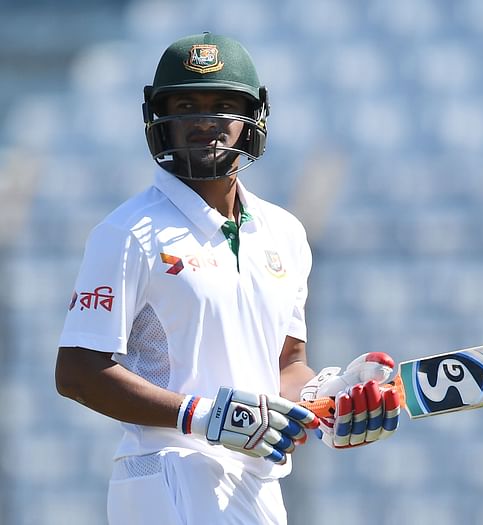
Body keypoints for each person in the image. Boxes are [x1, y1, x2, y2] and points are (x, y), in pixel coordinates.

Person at [55, 32, 401, 525]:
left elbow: (285, 364)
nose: (204, 121)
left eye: (223, 104)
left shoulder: (284, 231)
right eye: (186, 104)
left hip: (259, 480)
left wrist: (329, 395)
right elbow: (77, 372)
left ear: (252, 117)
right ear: (160, 120)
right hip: (168, 474)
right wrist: (204, 416)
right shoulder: (128, 232)